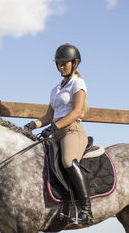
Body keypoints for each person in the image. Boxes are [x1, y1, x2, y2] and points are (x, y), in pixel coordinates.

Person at [24, 43, 92, 224]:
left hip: (72, 131)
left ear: (75, 64)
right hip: (57, 134)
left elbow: (77, 111)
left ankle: (86, 209)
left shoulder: (78, 83)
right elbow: (48, 116)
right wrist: (32, 125)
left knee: (68, 161)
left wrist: (55, 126)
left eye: (65, 63)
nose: (61, 66)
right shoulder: (55, 89)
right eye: (59, 63)